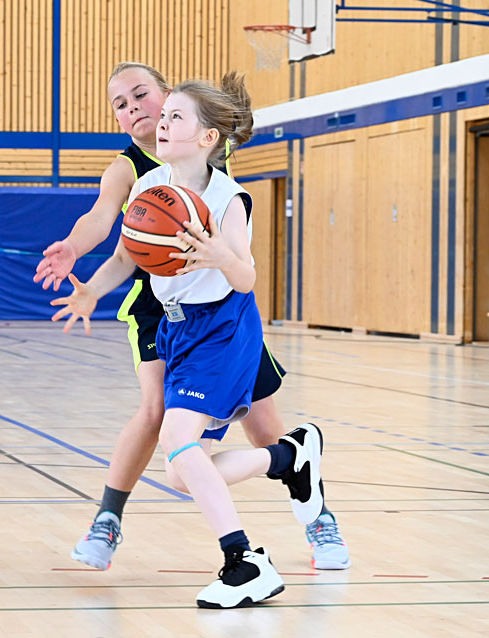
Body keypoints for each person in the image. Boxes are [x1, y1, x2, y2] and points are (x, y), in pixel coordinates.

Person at [36, 62, 349, 573]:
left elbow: (242, 266)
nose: (136, 109)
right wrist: (79, 263)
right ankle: (109, 519)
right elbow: (104, 223)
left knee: (263, 425)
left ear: (168, 97)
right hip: (161, 308)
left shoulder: (205, 154)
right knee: (162, 422)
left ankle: (313, 512)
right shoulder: (134, 172)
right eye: (121, 104)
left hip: (221, 306)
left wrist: (225, 257)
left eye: (142, 96)